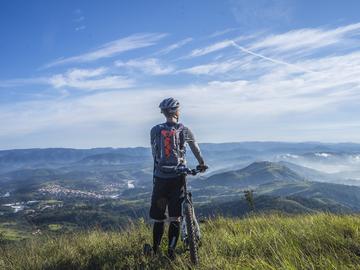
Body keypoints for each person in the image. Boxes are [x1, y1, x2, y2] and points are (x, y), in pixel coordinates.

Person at [149, 97, 207, 260]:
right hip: (178, 178)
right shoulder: (185, 130)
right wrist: (202, 163)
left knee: (159, 218)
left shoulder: (154, 130)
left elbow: (154, 154)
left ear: (163, 112)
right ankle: (171, 252)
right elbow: (196, 149)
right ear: (177, 112)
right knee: (175, 217)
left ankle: (155, 251)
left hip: (161, 179)